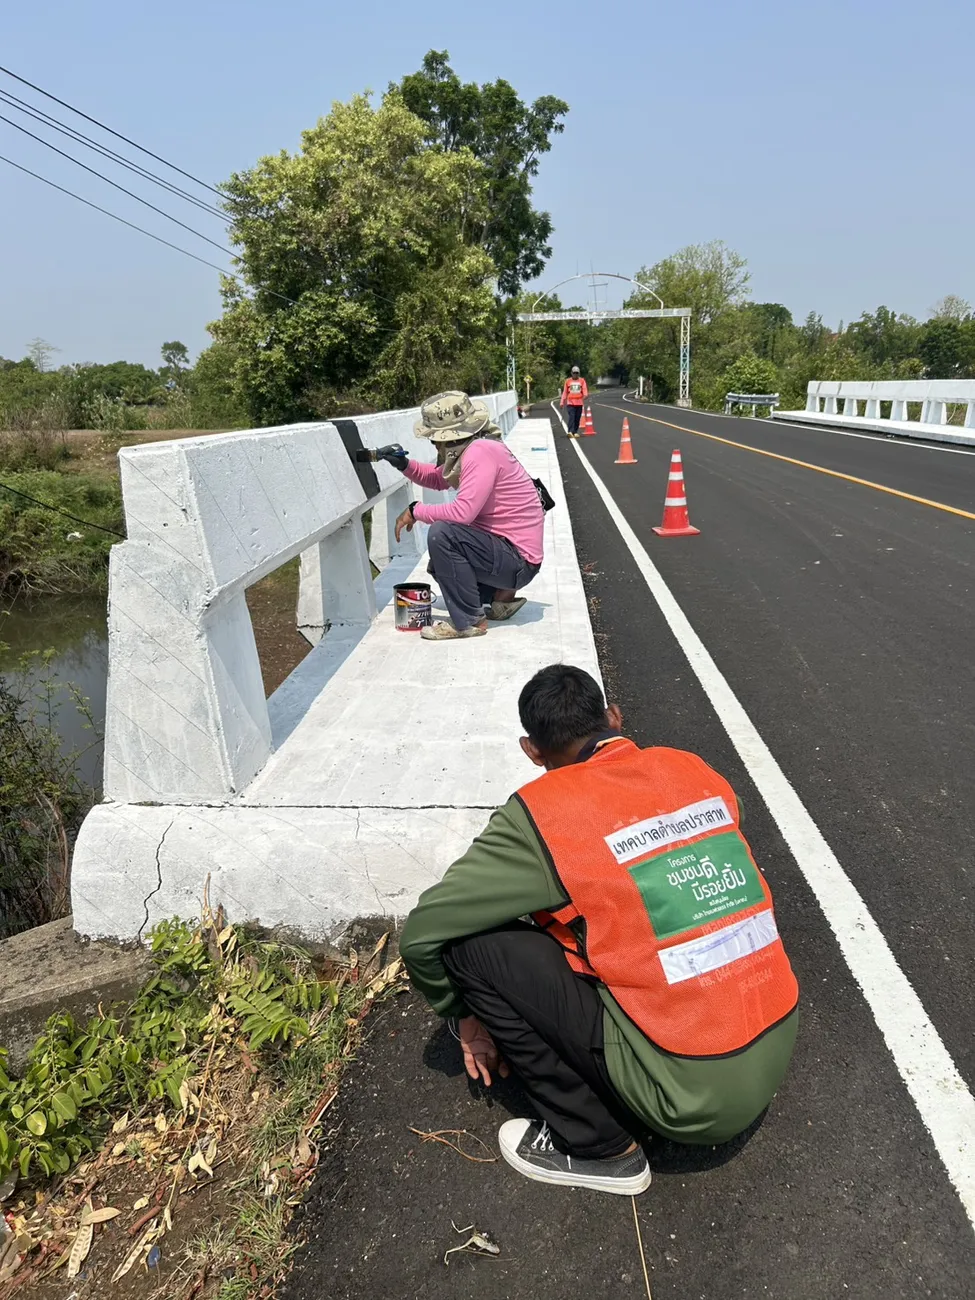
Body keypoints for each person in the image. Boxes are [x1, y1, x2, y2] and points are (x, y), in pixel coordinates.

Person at [400, 664, 800, 1195]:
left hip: (690, 1099)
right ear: (615, 717)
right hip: (773, 1046)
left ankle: (597, 1146)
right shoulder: (691, 767)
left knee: (471, 949)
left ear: (532, 751)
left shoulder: (541, 814)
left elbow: (423, 933)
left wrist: (465, 1013)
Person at [389, 392, 545, 642]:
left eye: (435, 440)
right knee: (441, 563)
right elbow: (438, 479)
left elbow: (463, 513)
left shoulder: (479, 452)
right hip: (514, 557)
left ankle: (470, 621)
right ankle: (500, 599)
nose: (436, 446)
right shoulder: (479, 446)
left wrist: (415, 510)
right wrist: (403, 464)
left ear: (448, 437)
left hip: (517, 560)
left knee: (443, 535)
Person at [559, 365, 588, 437]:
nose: (575, 374)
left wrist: (585, 396)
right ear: (571, 373)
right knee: (572, 417)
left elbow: (585, 391)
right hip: (570, 403)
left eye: (577, 373)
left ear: (579, 373)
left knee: (577, 418)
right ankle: (570, 431)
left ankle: (575, 431)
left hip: (579, 403)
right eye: (574, 373)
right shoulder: (568, 381)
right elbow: (565, 392)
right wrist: (562, 402)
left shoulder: (582, 381)